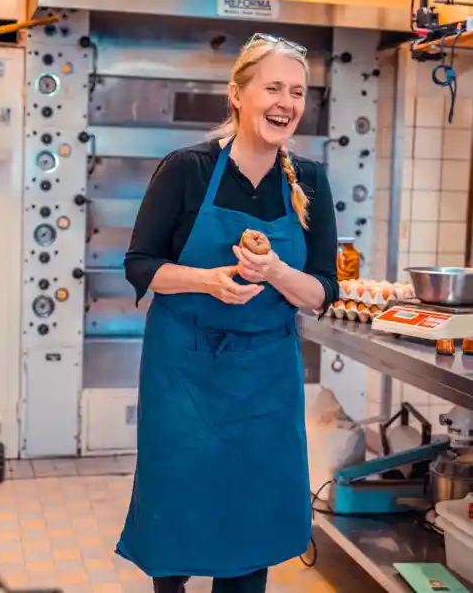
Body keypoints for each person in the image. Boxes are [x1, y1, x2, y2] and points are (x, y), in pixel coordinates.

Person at [116, 34, 339, 593]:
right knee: (178, 511)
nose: (286, 103)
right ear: (237, 94)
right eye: (273, 88)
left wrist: (276, 272)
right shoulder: (187, 169)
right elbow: (141, 265)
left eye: (297, 92)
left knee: (250, 522)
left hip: (265, 376)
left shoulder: (310, 180)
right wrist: (208, 281)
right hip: (185, 371)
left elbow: (321, 291)